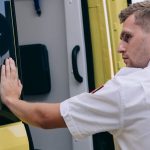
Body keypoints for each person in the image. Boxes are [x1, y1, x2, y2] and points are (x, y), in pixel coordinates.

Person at [1, 1, 150, 149]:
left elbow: (44, 118)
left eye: (127, 37)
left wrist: (10, 99)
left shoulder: (128, 89)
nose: (120, 48)